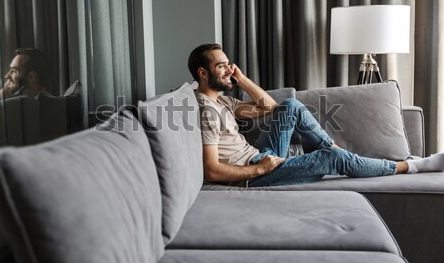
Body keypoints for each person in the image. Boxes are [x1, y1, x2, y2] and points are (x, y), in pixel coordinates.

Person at [188, 43, 444, 187]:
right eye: (221, 65)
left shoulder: (222, 101)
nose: (229, 70)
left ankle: (340, 154)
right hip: (254, 173)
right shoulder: (206, 111)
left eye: (228, 63)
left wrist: (242, 79)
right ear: (202, 73)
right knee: (330, 158)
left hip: (260, 156)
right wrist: (259, 170)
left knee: (290, 106)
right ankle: (412, 166)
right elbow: (212, 171)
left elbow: (269, 108)